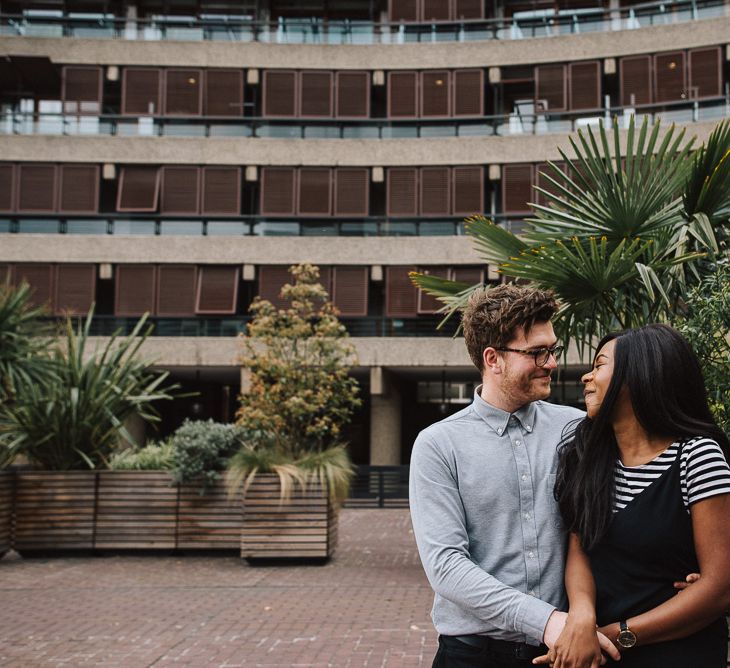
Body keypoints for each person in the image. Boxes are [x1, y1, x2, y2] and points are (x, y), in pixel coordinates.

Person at [409, 284, 621, 667]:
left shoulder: (575, 429)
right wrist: (548, 622)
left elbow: (616, 513)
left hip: (565, 652)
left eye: (552, 350)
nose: (552, 362)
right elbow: (446, 567)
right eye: (537, 352)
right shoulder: (438, 444)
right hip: (472, 654)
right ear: (494, 359)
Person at [536, 324, 730, 668]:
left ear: (637, 375)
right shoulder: (589, 458)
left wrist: (610, 636)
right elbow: (579, 550)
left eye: (599, 365)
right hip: (597, 655)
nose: (586, 377)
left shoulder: (696, 457)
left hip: (677, 653)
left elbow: (719, 587)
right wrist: (581, 618)